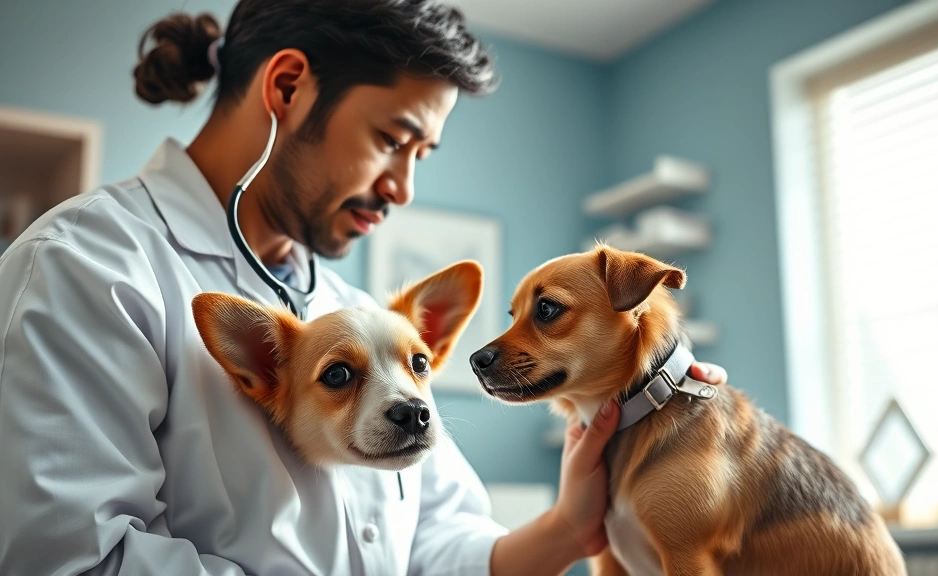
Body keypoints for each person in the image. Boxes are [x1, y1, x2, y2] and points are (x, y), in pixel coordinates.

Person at [0, 1, 729, 574]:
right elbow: (75, 560)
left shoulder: (360, 316)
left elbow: (439, 545)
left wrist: (575, 521)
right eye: (391, 140)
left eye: (421, 155)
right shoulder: (85, 267)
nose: (403, 189)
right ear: (287, 88)